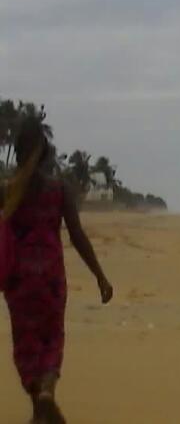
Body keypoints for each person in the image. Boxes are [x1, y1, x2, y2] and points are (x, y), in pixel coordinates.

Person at [1, 117, 114, 424]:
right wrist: (99, 275)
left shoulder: (7, 192)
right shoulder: (59, 190)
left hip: (18, 281)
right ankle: (46, 398)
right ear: (46, 151)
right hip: (50, 277)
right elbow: (77, 235)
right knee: (51, 338)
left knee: (27, 344)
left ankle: (40, 405)